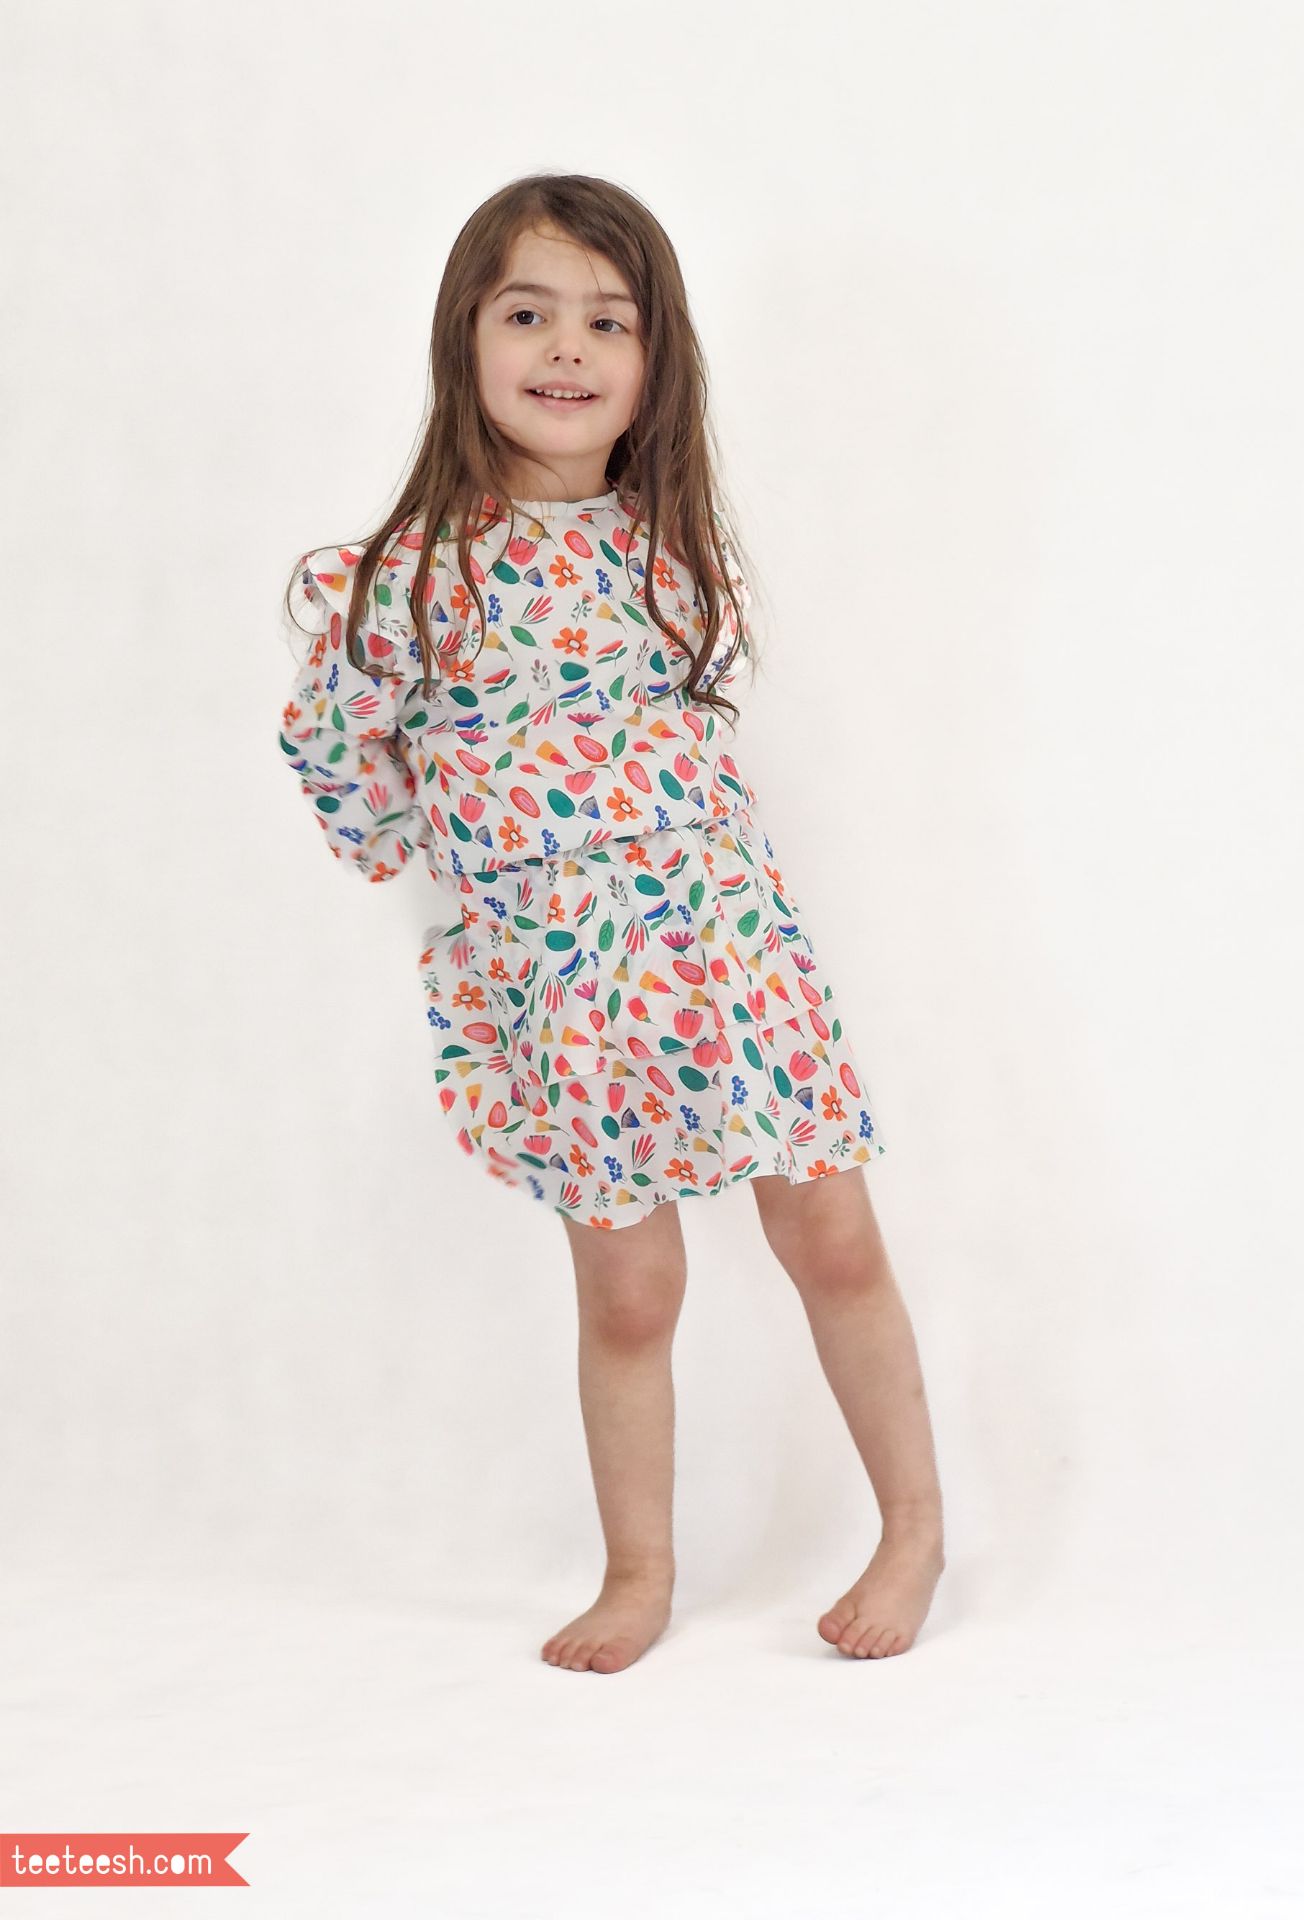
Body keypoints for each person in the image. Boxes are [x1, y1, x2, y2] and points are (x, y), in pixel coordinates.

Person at [276, 174, 945, 1672]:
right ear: (466, 338)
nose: (566, 348)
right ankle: (640, 1570)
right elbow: (331, 745)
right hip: (564, 981)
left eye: (607, 321)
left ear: (656, 363)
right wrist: (458, 871)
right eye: (528, 313)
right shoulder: (401, 578)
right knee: (632, 1288)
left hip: (728, 950)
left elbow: (692, 736)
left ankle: (914, 1526)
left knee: (832, 1235)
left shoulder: (671, 550)